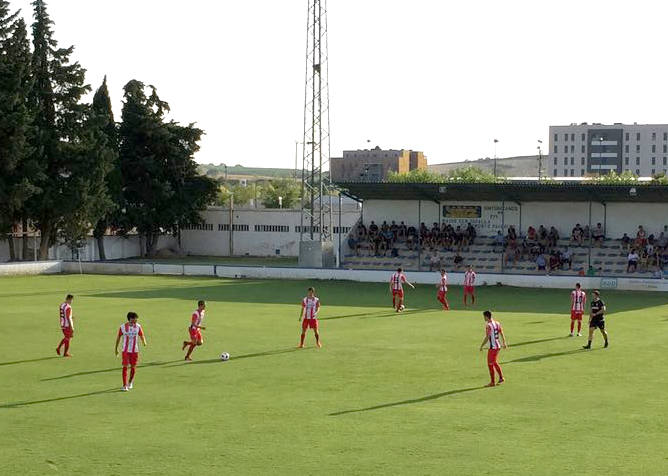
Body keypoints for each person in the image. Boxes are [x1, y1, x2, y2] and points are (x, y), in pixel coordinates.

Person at [115, 312, 147, 391]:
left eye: (136, 319)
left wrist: (144, 341)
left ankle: (130, 382)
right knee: (125, 366)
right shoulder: (122, 327)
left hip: (135, 351)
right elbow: (118, 337)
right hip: (125, 350)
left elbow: (141, 335)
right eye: (134, 319)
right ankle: (124, 385)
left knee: (133, 367)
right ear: (130, 319)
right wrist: (116, 349)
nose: (136, 321)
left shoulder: (138, 326)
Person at [479, 310, 508, 387]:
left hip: (493, 348)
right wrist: (504, 343)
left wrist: (482, 345)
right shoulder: (497, 323)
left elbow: (487, 336)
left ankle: (492, 382)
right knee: (494, 362)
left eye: (484, 317)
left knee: (490, 364)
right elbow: (501, 333)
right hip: (498, 346)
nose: (484, 318)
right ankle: (501, 378)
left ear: (486, 316)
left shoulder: (488, 325)